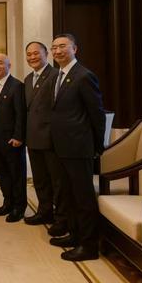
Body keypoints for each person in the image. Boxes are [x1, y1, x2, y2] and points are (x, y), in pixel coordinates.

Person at [49, 33, 105, 262]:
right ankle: (74, 235)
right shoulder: (59, 75)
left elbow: (96, 114)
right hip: (61, 146)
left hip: (79, 147)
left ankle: (89, 245)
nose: (57, 51)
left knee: (83, 198)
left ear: (75, 49)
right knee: (68, 195)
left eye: (63, 46)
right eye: (54, 47)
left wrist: (97, 146)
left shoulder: (84, 76)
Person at [23, 42, 69, 237]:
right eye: (29, 54)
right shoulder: (27, 79)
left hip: (51, 139)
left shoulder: (56, 75)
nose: (32, 57)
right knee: (40, 180)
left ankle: (62, 219)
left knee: (57, 182)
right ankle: (44, 212)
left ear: (46, 54)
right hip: (33, 138)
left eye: (36, 53)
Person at [0, 54, 26, 223]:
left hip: (12, 140)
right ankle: (7, 203)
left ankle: (19, 207)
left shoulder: (16, 86)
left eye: (0, 63)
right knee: (2, 173)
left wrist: (18, 136)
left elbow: (21, 114)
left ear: (9, 66)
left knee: (16, 175)